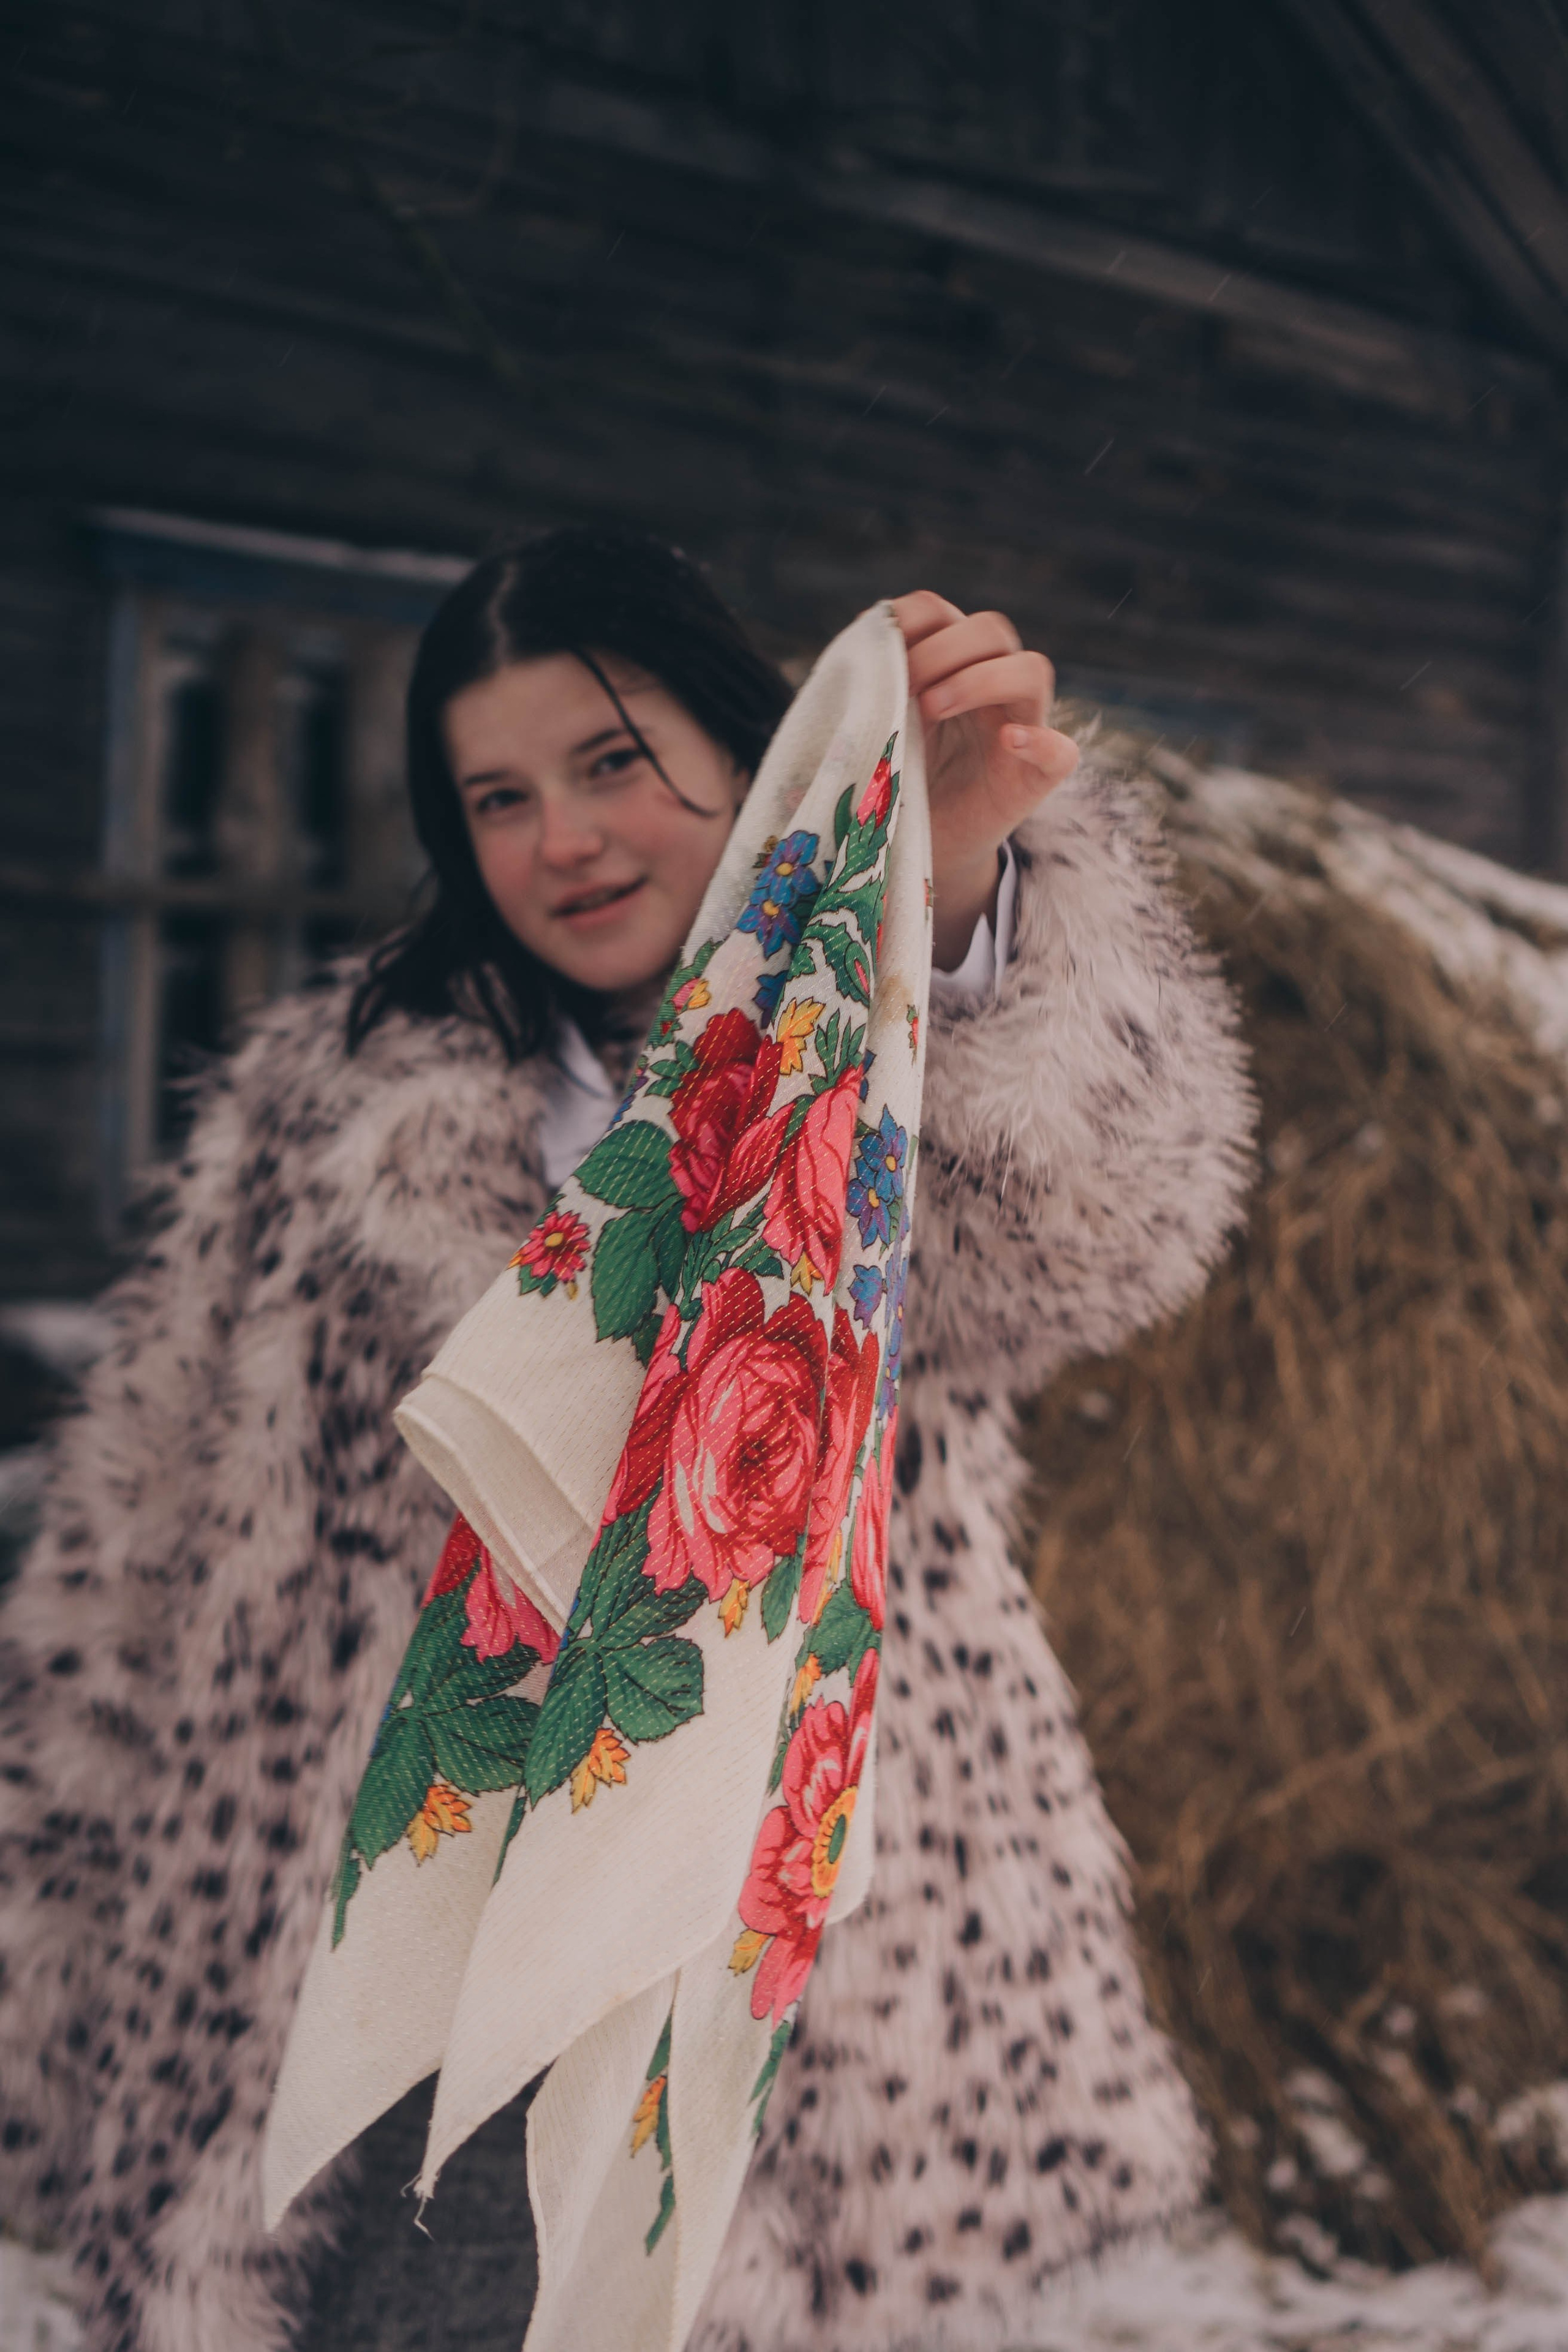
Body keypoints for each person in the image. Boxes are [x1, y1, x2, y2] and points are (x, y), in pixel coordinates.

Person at [0, 526, 1253, 2352]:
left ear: (750, 755)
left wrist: (959, 873)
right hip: (369, 1954)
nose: (561, 839)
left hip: (780, 1993)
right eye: (497, 797)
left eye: (609, 763)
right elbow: (139, 1538)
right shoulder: (333, 1102)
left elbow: (1082, 1244)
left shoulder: (871, 1062)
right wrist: (50, 1949)